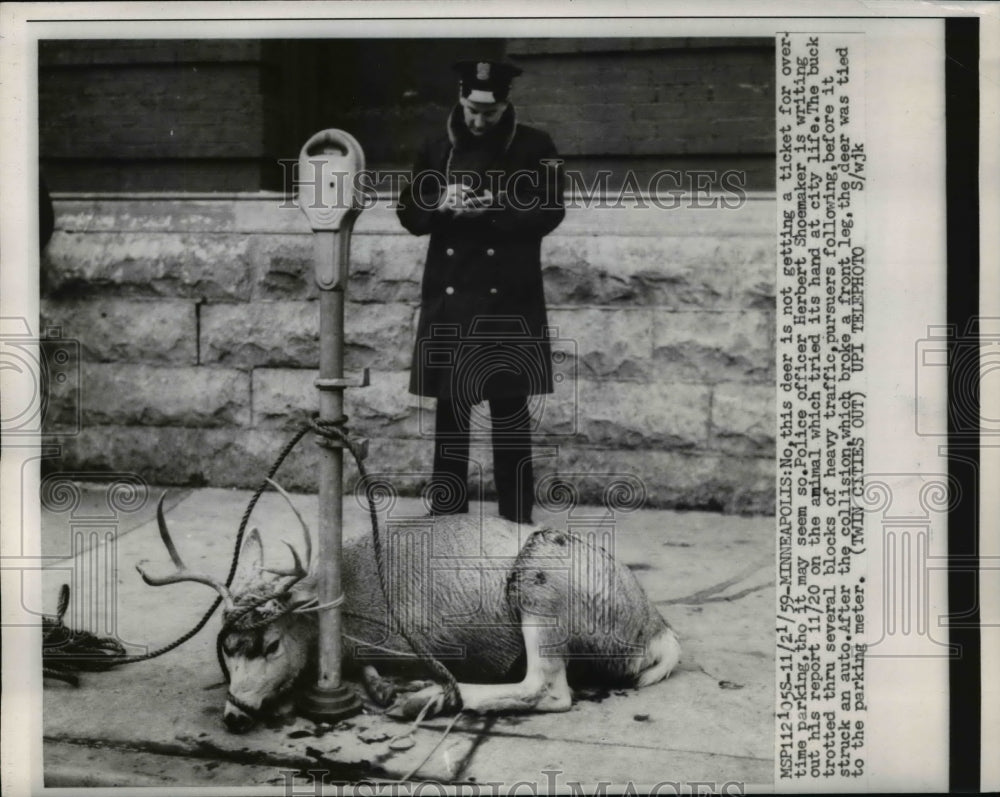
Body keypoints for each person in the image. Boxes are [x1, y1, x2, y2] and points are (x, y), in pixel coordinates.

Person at [396, 59, 565, 524]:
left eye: (488, 114)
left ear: (506, 104)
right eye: (471, 109)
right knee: (451, 415)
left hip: (508, 301)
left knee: (509, 414)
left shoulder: (536, 146)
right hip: (452, 301)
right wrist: (440, 203)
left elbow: (552, 210)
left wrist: (496, 208)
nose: (477, 120)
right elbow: (408, 213)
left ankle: (516, 522)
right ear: (461, 97)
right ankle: (447, 521)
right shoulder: (435, 146)